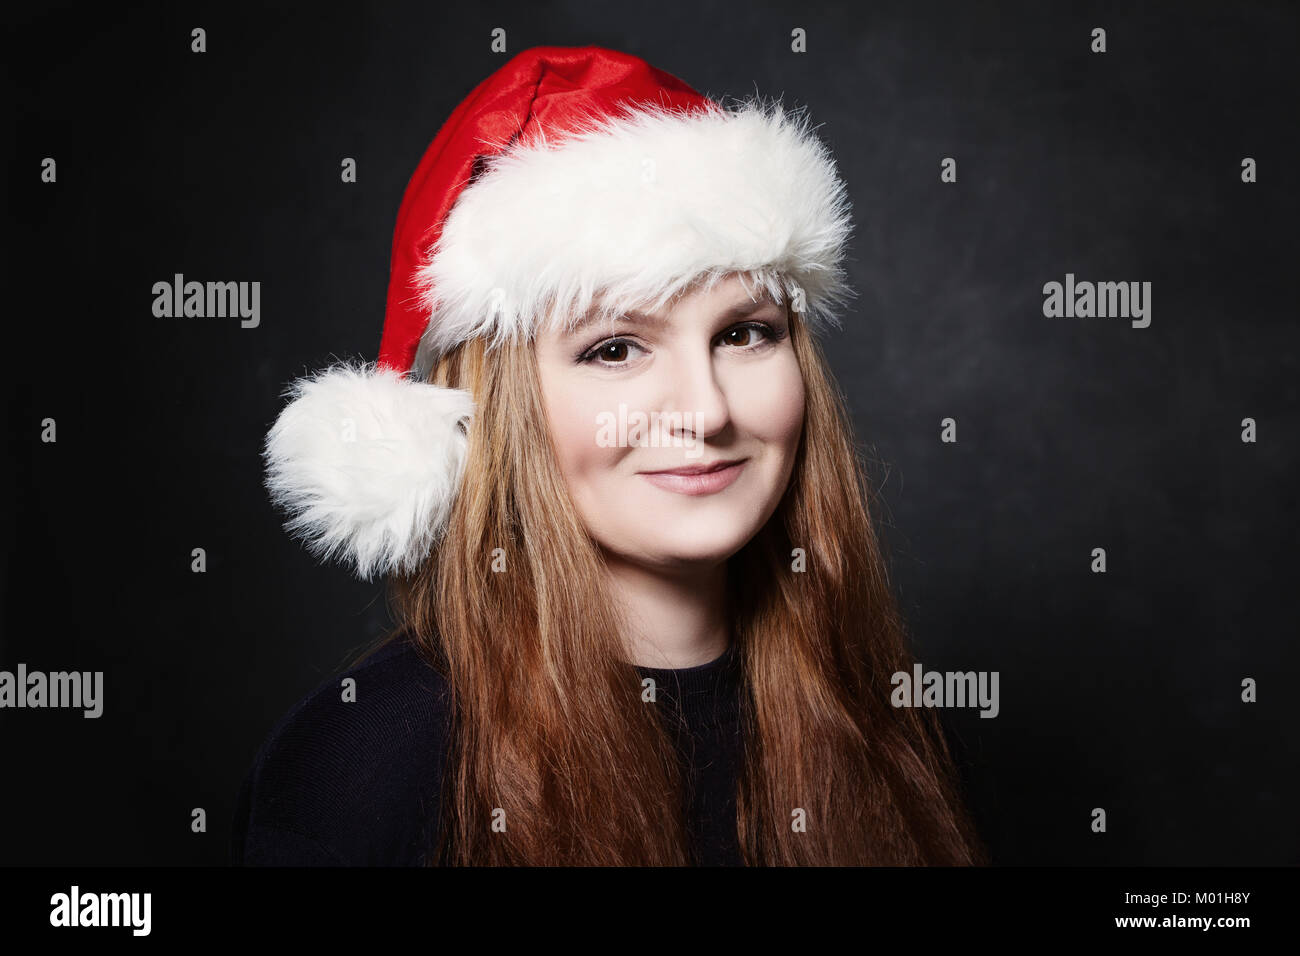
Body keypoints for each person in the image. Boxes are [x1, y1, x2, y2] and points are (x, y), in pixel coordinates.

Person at [233, 44, 988, 866]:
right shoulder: (366, 765)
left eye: (744, 334)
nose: (704, 410)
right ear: (493, 406)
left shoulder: (877, 721)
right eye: (616, 349)